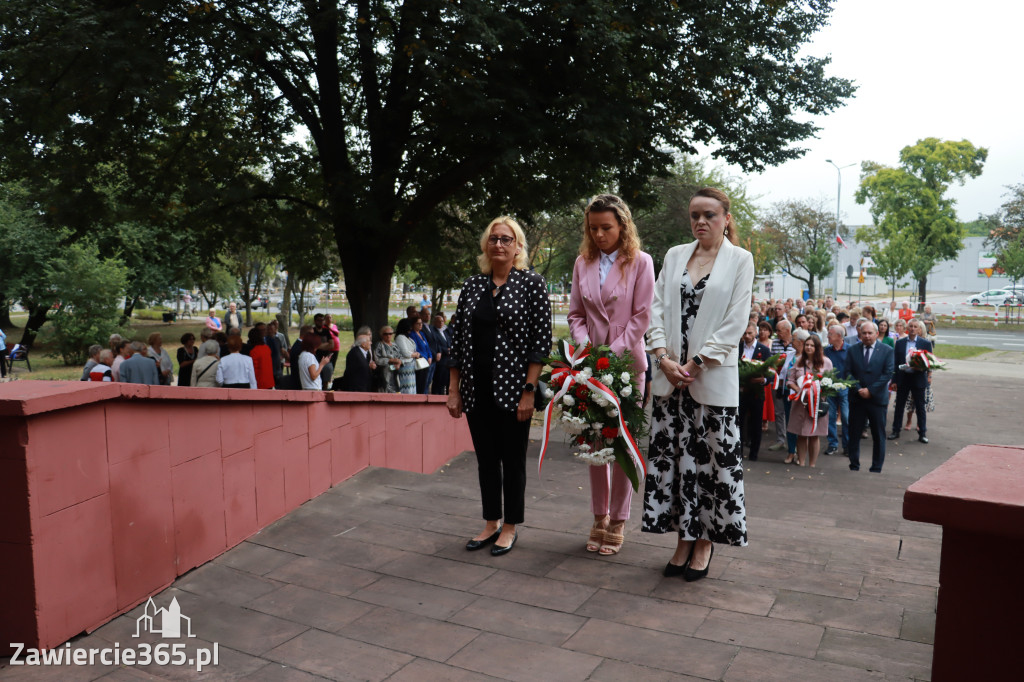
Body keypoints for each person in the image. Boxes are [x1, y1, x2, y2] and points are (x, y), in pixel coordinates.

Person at [643, 187, 753, 581]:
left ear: (726, 218)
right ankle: (682, 540)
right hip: (671, 381)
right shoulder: (674, 256)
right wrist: (663, 359)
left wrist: (694, 363)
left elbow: (735, 321)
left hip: (710, 380)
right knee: (676, 465)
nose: (701, 222)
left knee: (710, 466)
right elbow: (654, 309)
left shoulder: (740, 260)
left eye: (709, 214)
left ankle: (704, 541)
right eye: (694, 216)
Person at [447, 216, 551, 557]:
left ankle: (510, 526)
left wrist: (529, 390)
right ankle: (491, 521)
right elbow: (458, 340)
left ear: (518, 246)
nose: (499, 245)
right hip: (476, 390)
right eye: (494, 239)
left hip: (514, 391)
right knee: (486, 461)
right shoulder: (472, 286)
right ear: (485, 245)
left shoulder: (531, 284)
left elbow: (540, 342)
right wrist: (454, 388)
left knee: (513, 460)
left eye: (507, 239)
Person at [567, 193, 655, 555]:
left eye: (607, 227)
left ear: (622, 225)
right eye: (594, 228)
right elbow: (575, 314)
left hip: (627, 367)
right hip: (589, 366)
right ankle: (599, 516)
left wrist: (612, 354)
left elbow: (642, 316)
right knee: (594, 443)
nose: (600, 234)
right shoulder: (581, 262)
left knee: (622, 443)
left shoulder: (641, 262)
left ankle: (619, 518)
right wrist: (587, 349)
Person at [845, 322, 894, 473]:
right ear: (860, 334)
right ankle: (854, 464)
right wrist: (859, 389)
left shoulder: (887, 350)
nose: (866, 336)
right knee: (854, 433)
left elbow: (887, 373)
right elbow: (847, 372)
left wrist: (871, 390)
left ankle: (876, 466)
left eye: (870, 333)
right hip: (857, 399)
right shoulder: (853, 350)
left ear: (877, 333)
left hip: (877, 399)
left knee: (878, 435)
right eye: (864, 333)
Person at [786, 335, 832, 467]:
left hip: (817, 403)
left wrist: (818, 391)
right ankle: (801, 462)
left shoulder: (826, 362)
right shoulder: (799, 361)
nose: (809, 347)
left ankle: (812, 464)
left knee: (814, 434)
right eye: (807, 345)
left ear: (817, 348)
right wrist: (800, 390)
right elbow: (790, 380)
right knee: (801, 433)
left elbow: (831, 381)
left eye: (812, 345)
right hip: (801, 402)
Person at [888, 319, 933, 444]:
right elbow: (896, 362)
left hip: (918, 378)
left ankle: (922, 433)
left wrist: (925, 372)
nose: (913, 329)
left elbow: (929, 363)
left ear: (919, 329)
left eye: (915, 327)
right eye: (911, 326)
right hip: (903, 378)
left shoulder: (925, 343)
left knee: (920, 407)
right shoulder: (900, 343)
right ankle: (895, 430)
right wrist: (894, 380)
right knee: (899, 406)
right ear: (907, 328)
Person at [738, 323, 772, 462]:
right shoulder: (738, 348)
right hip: (740, 392)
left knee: (756, 424)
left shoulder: (763, 350)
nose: (747, 336)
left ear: (755, 333)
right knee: (738, 422)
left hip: (757, 392)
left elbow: (770, 373)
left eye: (750, 333)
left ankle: (754, 453)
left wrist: (763, 379)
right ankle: (738, 452)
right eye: (745, 333)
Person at [823, 324, 850, 457]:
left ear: (839, 336)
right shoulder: (827, 351)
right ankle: (833, 444)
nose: (828, 336)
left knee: (846, 417)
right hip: (830, 388)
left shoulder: (850, 350)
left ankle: (847, 445)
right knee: (830, 417)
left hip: (845, 387)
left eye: (830, 334)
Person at [767, 320, 794, 452]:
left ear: (788, 331)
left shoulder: (796, 343)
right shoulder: (775, 344)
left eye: (779, 331)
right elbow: (771, 362)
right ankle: (780, 440)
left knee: (791, 414)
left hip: (791, 385)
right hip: (776, 383)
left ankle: (792, 442)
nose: (777, 333)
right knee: (779, 412)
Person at [393, 318, 420, 394]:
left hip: (411, 366)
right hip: (405, 365)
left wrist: (414, 354)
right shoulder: (400, 338)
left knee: (412, 388)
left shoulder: (408, 337)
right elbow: (405, 353)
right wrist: (415, 354)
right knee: (406, 388)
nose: (410, 329)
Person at [374, 325, 402, 393]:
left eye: (390, 333)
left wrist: (399, 363)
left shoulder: (395, 345)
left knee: (396, 391)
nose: (388, 335)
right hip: (384, 374)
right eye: (385, 334)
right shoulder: (379, 345)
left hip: (395, 372)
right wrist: (390, 360)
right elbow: (377, 360)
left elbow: (400, 357)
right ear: (381, 335)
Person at [429, 313, 452, 394]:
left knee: (446, 381)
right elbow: (435, 344)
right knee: (438, 382)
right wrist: (446, 350)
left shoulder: (445, 332)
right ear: (434, 322)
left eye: (442, 321)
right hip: (441, 360)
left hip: (448, 360)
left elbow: (448, 342)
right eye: (439, 322)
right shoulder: (433, 332)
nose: (441, 323)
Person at [409, 316, 433, 394]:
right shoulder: (412, 335)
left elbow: (427, 346)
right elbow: (415, 348)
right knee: (420, 383)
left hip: (426, 360)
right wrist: (425, 357)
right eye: (418, 323)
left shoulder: (422, 333)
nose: (420, 325)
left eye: (421, 323)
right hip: (420, 361)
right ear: (413, 325)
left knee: (426, 382)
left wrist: (430, 356)